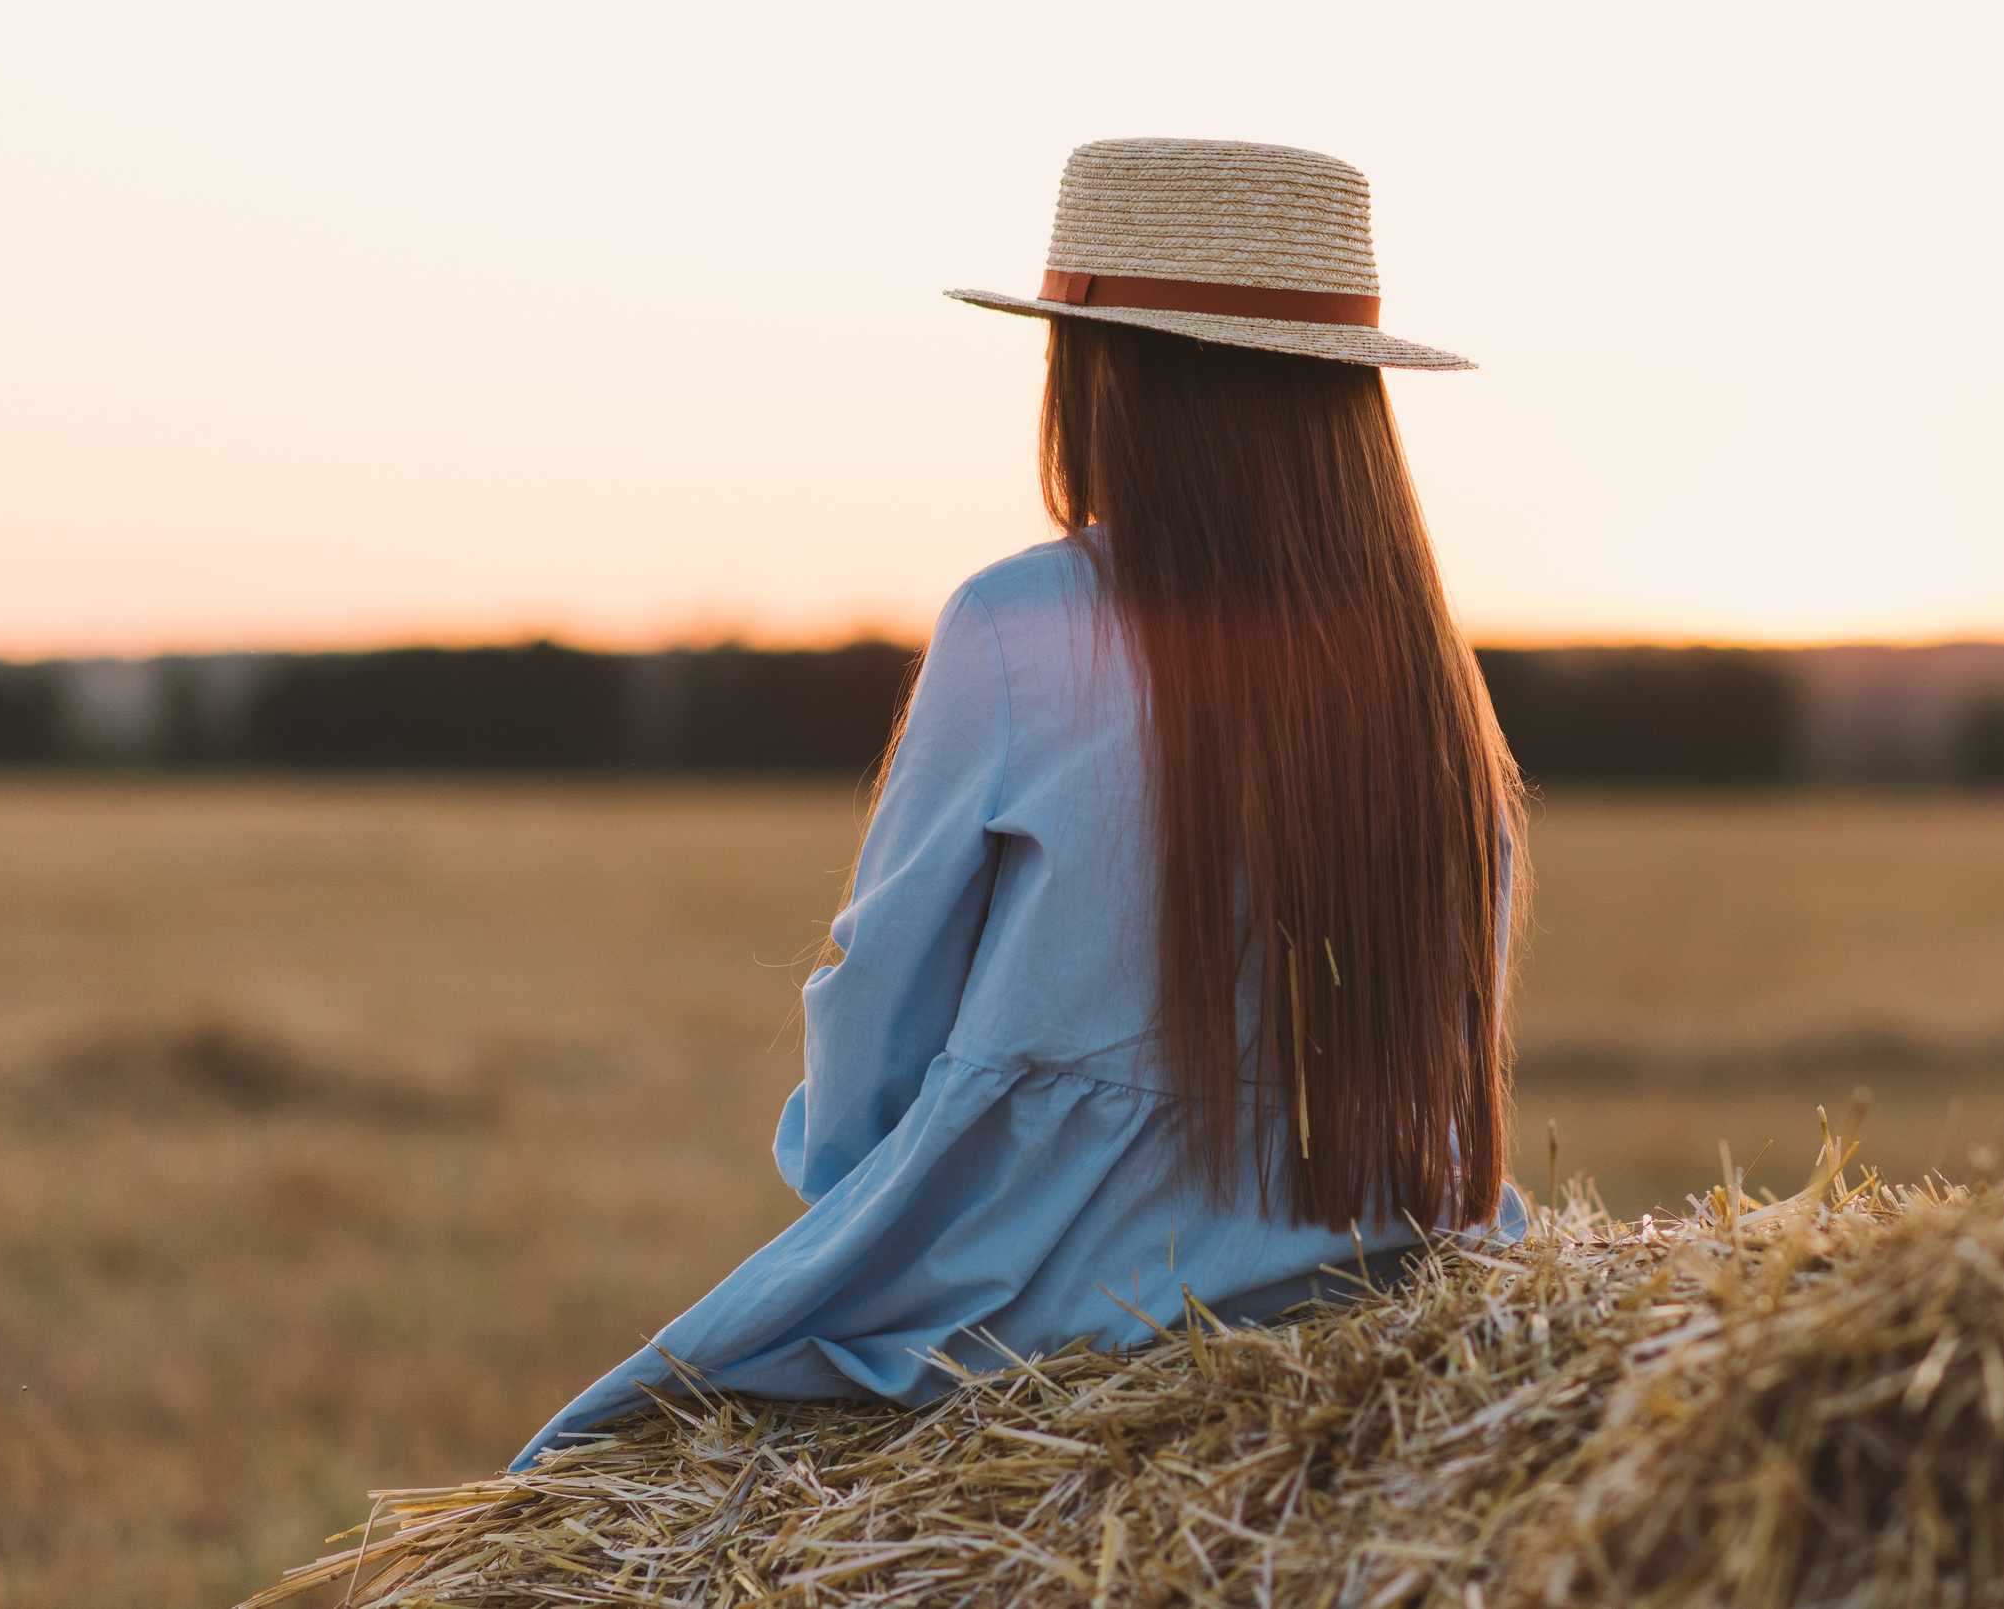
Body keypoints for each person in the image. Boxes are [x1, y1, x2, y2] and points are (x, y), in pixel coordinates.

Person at [514, 136, 1528, 1468]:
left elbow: (880, 993)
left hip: (1034, 1293)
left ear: (1104, 374)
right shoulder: (1432, 677)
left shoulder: (1018, 626)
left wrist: (863, 1195)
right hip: (1373, 1268)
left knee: (584, 1464)